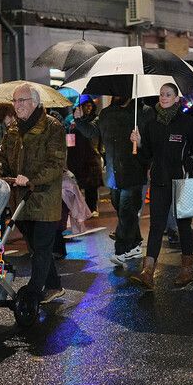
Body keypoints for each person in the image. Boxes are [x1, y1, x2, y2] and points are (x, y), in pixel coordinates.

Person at [0, 83, 67, 304]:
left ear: (34, 102)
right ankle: (54, 285)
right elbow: (1, 157)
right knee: (35, 247)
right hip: (20, 200)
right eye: (15, 101)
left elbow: (56, 163)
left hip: (44, 199)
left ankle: (33, 293)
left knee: (42, 247)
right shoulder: (13, 130)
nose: (17, 106)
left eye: (21, 101)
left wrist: (31, 180)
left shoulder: (52, 127)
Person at [129, 83, 193, 289]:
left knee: (183, 225)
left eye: (168, 94)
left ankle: (187, 270)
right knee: (156, 226)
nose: (163, 97)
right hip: (159, 181)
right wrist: (138, 143)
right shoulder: (151, 124)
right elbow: (145, 158)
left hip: (181, 181)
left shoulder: (187, 122)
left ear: (176, 98)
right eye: (162, 94)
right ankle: (148, 272)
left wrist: (188, 162)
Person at [75, 96, 154, 265]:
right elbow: (92, 131)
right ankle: (135, 244)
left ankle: (122, 249)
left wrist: (140, 144)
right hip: (113, 173)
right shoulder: (106, 113)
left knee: (126, 210)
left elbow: (152, 142)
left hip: (134, 171)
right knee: (123, 209)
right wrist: (80, 120)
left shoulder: (143, 112)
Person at [68, 96, 104, 217]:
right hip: (76, 156)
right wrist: (71, 129)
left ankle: (92, 207)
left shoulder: (95, 120)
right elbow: (69, 141)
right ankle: (77, 210)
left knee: (91, 185)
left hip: (92, 156)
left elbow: (99, 138)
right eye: (85, 105)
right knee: (76, 185)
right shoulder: (71, 120)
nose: (88, 108)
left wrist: (101, 152)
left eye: (90, 105)